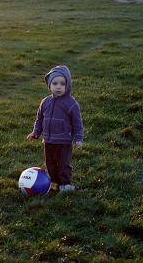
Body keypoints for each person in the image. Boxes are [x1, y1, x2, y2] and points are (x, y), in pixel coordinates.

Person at [27, 65, 84, 193]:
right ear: (49, 85)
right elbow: (40, 119)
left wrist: (78, 138)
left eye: (62, 84)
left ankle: (65, 184)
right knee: (50, 165)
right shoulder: (45, 102)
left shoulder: (71, 104)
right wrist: (36, 132)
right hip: (48, 140)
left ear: (67, 85)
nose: (58, 86)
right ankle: (54, 183)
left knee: (63, 165)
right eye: (55, 83)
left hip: (64, 141)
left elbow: (77, 123)